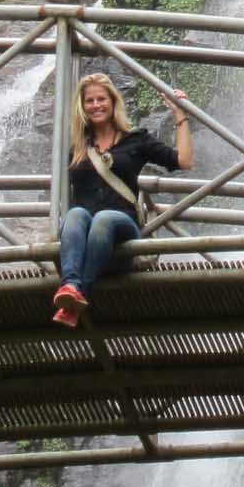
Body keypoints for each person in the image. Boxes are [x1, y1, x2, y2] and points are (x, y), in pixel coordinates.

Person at [51, 71, 193, 328]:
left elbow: (183, 160)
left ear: (113, 101)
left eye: (101, 99)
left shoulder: (135, 140)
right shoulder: (76, 146)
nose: (96, 105)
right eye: (89, 101)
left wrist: (180, 115)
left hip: (122, 231)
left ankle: (79, 291)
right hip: (84, 232)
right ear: (82, 107)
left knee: (104, 219)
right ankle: (71, 286)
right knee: (74, 214)